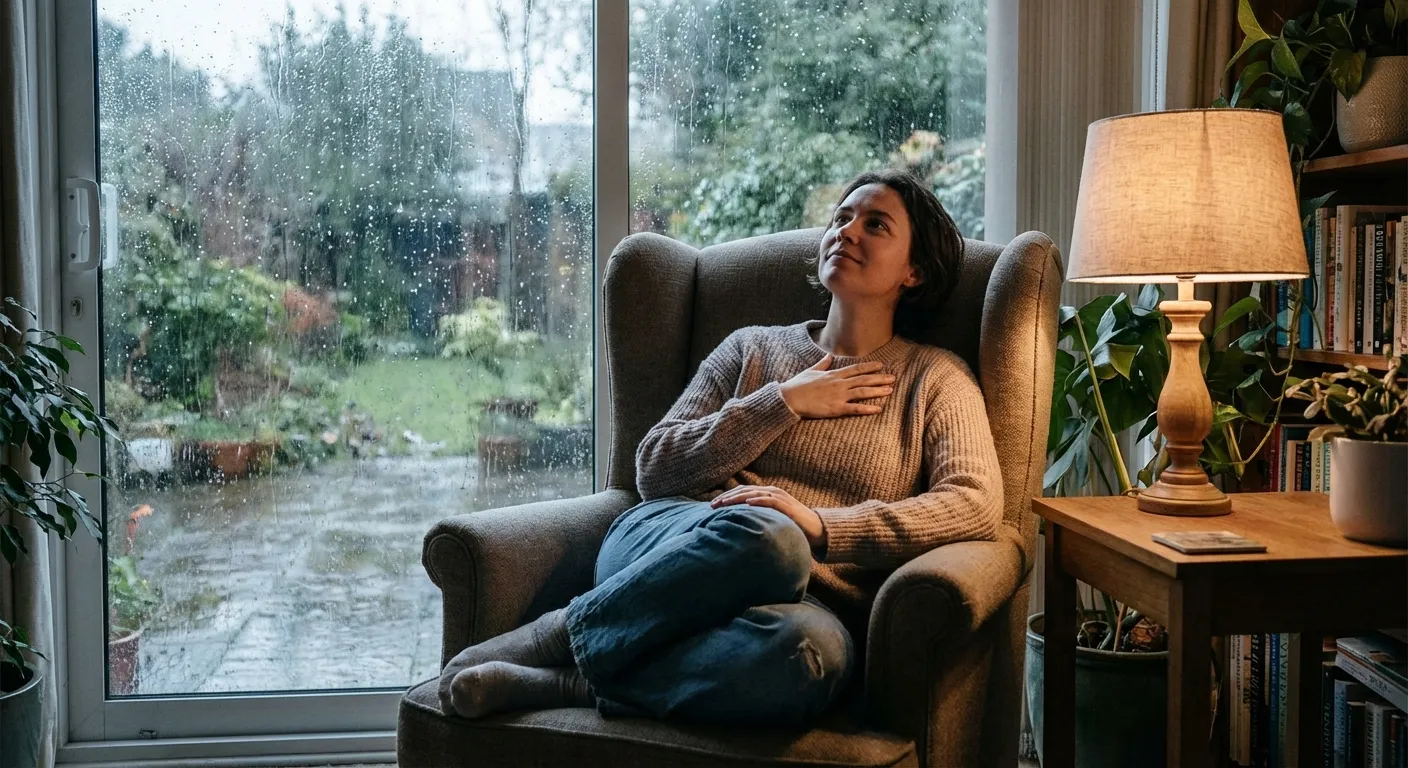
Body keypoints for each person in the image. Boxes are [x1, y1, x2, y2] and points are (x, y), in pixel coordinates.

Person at [437, 168, 1004, 725]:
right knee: (773, 540)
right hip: (671, 540)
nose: (847, 231)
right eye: (841, 218)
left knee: (811, 659)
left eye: (875, 224)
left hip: (805, 604)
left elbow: (974, 500)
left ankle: (573, 684)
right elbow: (653, 467)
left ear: (914, 271)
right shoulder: (751, 349)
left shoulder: (936, 379)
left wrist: (820, 526)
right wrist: (780, 402)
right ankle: (555, 636)